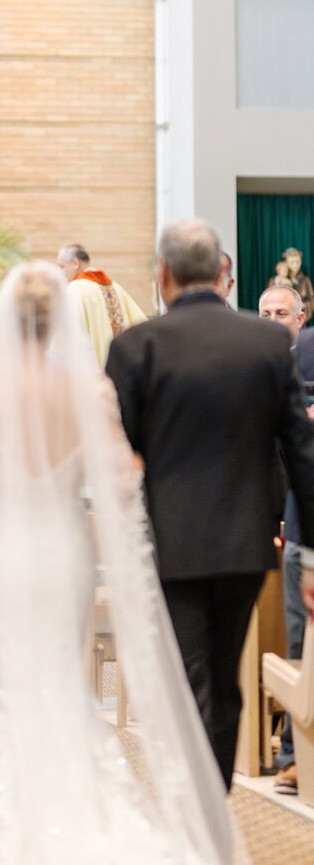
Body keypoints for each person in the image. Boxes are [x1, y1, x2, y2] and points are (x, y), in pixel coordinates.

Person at [0, 261, 235, 865]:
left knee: (11, 690)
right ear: (58, 320)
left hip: (7, 555)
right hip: (63, 555)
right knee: (62, 677)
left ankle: (27, 835)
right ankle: (80, 821)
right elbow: (123, 479)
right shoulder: (88, 388)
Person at [106, 218, 314, 791]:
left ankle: (193, 810)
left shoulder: (134, 348)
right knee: (222, 680)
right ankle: (212, 806)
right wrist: (312, 554)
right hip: (247, 544)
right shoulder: (268, 342)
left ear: (163, 274)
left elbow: (121, 453)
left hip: (171, 542)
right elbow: (300, 452)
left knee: (186, 675)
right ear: (223, 274)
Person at [258, 283, 311, 796]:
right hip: (284, 516)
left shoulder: (307, 361)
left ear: (301, 317)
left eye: (282, 313)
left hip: (300, 509)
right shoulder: (254, 368)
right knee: (294, 640)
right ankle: (294, 753)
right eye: (266, 313)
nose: (275, 320)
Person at [56, 243, 147, 367]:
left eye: (62, 267)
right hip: (119, 370)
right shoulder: (115, 287)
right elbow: (140, 323)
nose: (60, 272)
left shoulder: (75, 289)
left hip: (91, 374)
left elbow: (67, 336)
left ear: (75, 263)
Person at [282, 247, 314, 323]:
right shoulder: (277, 280)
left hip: (300, 323)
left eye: (298, 262)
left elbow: (312, 301)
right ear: (286, 263)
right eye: (292, 262)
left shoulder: (305, 280)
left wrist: (304, 305)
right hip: (282, 322)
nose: (295, 265)